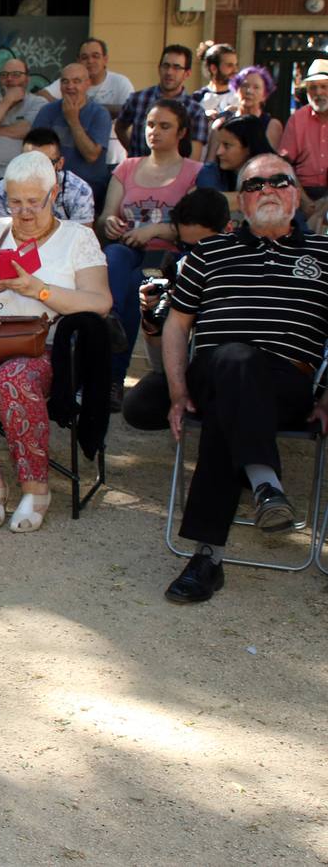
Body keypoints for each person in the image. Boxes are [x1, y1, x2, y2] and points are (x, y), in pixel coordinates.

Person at [160, 154, 328, 604]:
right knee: (235, 362)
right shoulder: (209, 252)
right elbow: (177, 326)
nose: (268, 189)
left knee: (228, 408)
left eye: (280, 181)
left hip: (288, 384)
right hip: (214, 371)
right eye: (255, 185)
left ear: (297, 192)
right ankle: (266, 483)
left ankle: (207, 558)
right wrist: (177, 392)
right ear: (241, 201)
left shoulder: (325, 255)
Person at [0, 151, 113, 532]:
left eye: (34, 201)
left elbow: (100, 302)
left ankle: (36, 488)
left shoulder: (78, 238)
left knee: (14, 379)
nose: (25, 212)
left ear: (54, 193)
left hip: (44, 344)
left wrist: (40, 290)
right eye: (16, 201)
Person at [100, 99, 202, 411]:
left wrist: (155, 230)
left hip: (170, 258)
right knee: (116, 256)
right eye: (150, 125)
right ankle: (110, 323)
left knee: (135, 287)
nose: (154, 131)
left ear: (182, 132)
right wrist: (112, 224)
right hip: (128, 250)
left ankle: (113, 379)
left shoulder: (194, 172)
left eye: (164, 126)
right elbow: (105, 218)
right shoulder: (127, 167)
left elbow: (195, 228)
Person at [119, 188, 230, 432]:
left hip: (237, 370)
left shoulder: (239, 268)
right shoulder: (180, 268)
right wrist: (150, 317)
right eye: (185, 246)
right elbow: (160, 366)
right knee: (140, 406)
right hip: (195, 372)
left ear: (228, 230)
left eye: (203, 246)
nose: (194, 256)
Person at [39, 38, 133, 171]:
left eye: (96, 56)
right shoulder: (69, 81)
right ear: (78, 60)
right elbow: (42, 95)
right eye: (85, 57)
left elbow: (128, 110)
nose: (90, 61)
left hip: (115, 157)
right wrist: (63, 105)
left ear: (105, 59)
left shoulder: (120, 82)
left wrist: (92, 109)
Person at [32, 63, 113, 205]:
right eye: (65, 81)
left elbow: (92, 155)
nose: (70, 86)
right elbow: (34, 153)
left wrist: (73, 120)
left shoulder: (100, 114)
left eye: (76, 81)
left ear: (88, 84)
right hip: (50, 189)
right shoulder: (47, 111)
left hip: (89, 190)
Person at [115, 44, 208, 161]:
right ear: (159, 68)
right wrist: (134, 153)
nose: (169, 72)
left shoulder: (194, 111)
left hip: (175, 176)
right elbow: (120, 127)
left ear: (187, 73)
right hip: (137, 172)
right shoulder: (138, 99)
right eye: (166, 66)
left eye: (176, 67)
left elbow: (194, 158)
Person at [0, 127, 96, 227]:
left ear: (60, 163)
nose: (35, 170)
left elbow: (81, 238)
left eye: (45, 162)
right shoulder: (4, 188)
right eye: (28, 161)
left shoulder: (78, 190)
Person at [0, 58, 46, 177]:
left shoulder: (38, 102)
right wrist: (8, 100)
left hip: (22, 176)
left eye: (16, 75)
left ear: (27, 79)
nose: (9, 79)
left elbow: (26, 129)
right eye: (4, 75)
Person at [195, 113, 273, 216]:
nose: (219, 152)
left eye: (227, 145)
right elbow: (209, 202)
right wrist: (265, 195)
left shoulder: (277, 169)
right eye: (219, 144)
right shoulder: (210, 172)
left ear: (249, 148)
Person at [279, 58, 328, 200]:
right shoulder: (297, 119)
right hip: (303, 191)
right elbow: (284, 164)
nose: (318, 92)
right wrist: (304, 201)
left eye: (324, 86)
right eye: (313, 87)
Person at [211, 66, 283, 150]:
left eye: (256, 87)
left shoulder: (272, 125)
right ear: (236, 90)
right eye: (245, 85)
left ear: (264, 95)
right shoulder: (222, 123)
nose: (249, 91)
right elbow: (211, 159)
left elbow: (271, 160)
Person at [195, 42, 239, 117]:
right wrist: (204, 116)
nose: (235, 70)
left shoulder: (240, 96)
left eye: (236, 65)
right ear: (213, 68)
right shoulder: (198, 98)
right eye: (229, 65)